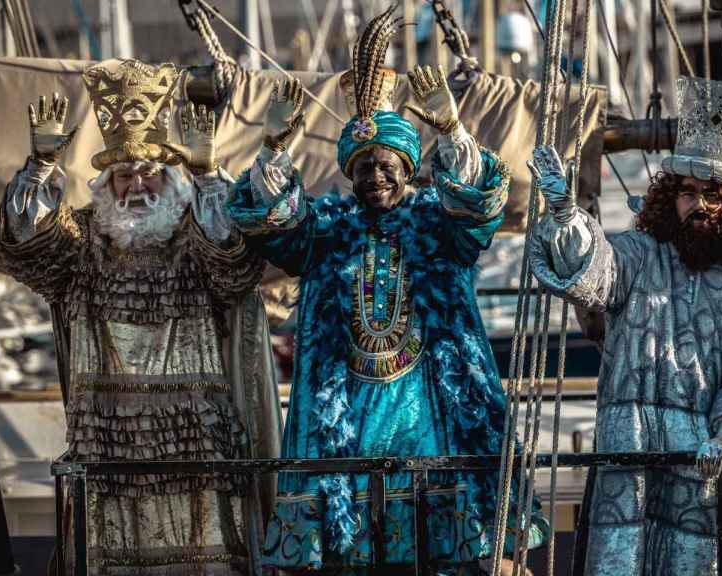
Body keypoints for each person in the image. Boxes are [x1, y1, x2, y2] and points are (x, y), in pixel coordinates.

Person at [227, 7, 547, 574]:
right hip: (346, 420)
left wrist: (452, 131)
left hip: (429, 416)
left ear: (408, 167)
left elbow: (477, 205)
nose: (374, 176)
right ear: (348, 175)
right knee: (355, 557)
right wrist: (274, 148)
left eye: (386, 164)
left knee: (436, 554)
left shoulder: (437, 224)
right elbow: (272, 223)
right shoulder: (326, 230)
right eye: (363, 167)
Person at [0, 58, 280, 575]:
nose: (138, 186)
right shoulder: (82, 245)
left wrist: (208, 175)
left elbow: (235, 263)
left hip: (196, 449)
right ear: (107, 184)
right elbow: (25, 242)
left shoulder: (195, 239)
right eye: (125, 175)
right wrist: (40, 166)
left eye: (150, 173)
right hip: (108, 450)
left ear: (170, 180)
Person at [528, 77, 722, 575]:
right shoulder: (638, 256)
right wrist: (567, 216)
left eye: (712, 196)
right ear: (670, 198)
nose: (698, 204)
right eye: (687, 193)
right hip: (629, 463)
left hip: (703, 471)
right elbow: (595, 275)